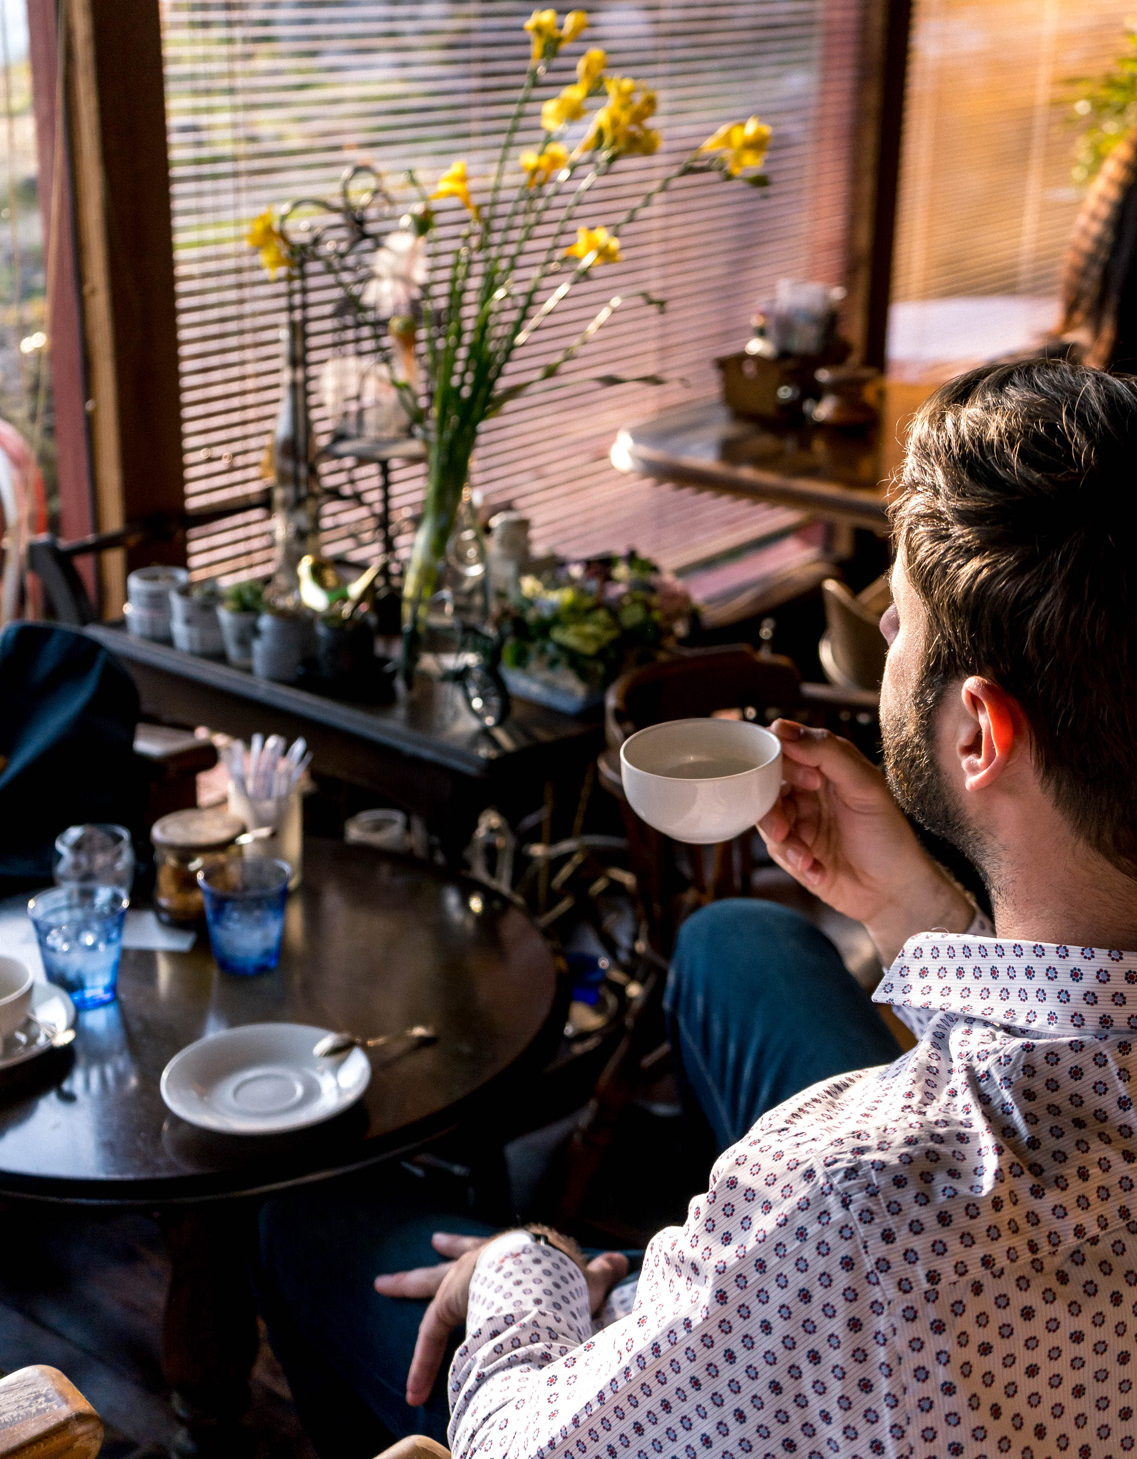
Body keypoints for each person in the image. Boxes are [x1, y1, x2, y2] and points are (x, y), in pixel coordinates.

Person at [261, 357, 1137, 1459]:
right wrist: (918, 912)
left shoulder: (840, 1200)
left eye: (899, 618)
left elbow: (527, 1446)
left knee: (306, 1225)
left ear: (977, 733)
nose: (886, 652)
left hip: (830, 1309)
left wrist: (523, 1265)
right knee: (739, 939)